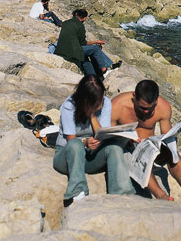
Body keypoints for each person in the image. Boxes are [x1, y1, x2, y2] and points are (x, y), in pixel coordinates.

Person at [111, 80, 181, 202]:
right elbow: (109, 137)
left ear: (156, 101)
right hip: (126, 149)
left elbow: (167, 137)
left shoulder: (163, 107)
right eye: (142, 107)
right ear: (134, 97)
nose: (146, 112)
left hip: (149, 147)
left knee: (172, 153)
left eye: (150, 108)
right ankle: (161, 196)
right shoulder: (118, 105)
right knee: (136, 158)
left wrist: (167, 143)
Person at [53, 75, 135, 203]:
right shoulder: (69, 106)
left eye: (102, 98)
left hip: (91, 157)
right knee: (75, 145)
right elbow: (71, 140)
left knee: (114, 147)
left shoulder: (106, 103)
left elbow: (101, 133)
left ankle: (122, 194)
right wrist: (85, 142)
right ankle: (77, 192)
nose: (102, 103)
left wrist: (92, 116)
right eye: (98, 101)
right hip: (68, 157)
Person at [54, 9, 121, 77]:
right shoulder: (80, 25)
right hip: (71, 52)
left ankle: (92, 77)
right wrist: (96, 42)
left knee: (84, 58)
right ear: (85, 18)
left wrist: (96, 41)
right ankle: (104, 69)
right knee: (95, 48)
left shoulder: (66, 22)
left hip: (60, 50)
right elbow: (83, 43)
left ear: (76, 14)